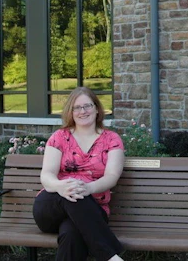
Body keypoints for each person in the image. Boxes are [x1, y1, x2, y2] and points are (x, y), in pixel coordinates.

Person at [32, 87, 125, 261]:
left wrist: (88, 188)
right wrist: (61, 186)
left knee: (71, 235)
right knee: (72, 191)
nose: (83, 111)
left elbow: (112, 176)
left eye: (88, 106)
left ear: (97, 109)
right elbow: (47, 175)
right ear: (71, 111)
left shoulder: (111, 139)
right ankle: (110, 256)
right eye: (77, 107)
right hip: (51, 206)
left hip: (92, 211)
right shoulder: (59, 137)